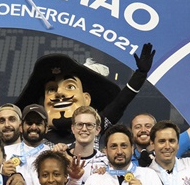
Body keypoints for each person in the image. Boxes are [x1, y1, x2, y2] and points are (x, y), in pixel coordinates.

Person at [15, 46, 154, 145]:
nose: (59, 93)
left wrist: (140, 75)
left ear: (86, 98)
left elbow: (121, 103)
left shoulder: (93, 128)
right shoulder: (33, 135)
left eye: (70, 86)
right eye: (51, 89)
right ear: (42, 103)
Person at [3, 104, 51, 185]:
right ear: (21, 127)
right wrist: (1, 174)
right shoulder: (6, 152)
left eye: (38, 123)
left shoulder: (52, 154)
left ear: (46, 128)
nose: (33, 127)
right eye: (29, 123)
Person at [62, 105, 109, 185]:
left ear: (97, 130)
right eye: (80, 124)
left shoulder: (106, 162)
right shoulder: (61, 157)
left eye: (89, 125)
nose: (84, 129)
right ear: (73, 129)